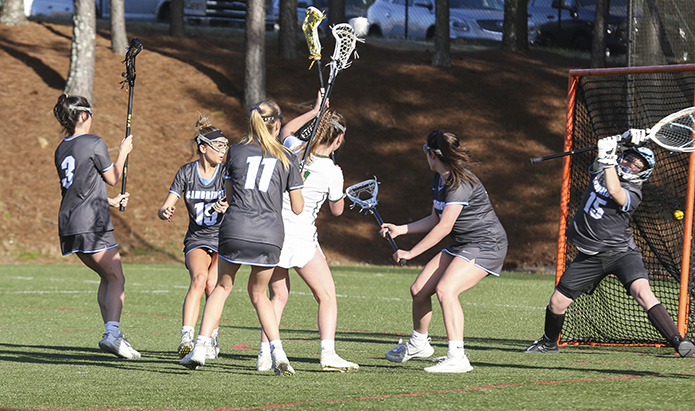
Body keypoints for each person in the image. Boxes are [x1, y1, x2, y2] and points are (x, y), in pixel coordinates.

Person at [523, 132, 695, 357]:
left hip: (622, 253)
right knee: (556, 303)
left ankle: (679, 342)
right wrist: (619, 139)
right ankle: (548, 343)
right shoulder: (604, 171)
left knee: (642, 292)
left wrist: (608, 159)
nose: (630, 164)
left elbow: (615, 190)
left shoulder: (634, 193)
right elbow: (600, 165)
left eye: (637, 164)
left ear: (643, 172)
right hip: (591, 257)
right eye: (628, 159)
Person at [180, 100, 304, 375]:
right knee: (260, 294)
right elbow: (297, 207)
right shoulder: (287, 156)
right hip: (270, 234)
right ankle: (278, 353)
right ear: (278, 124)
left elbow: (232, 196)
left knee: (222, 288)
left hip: (236, 230)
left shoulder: (234, 152)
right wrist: (295, 176)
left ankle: (200, 347)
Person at [380, 129, 508, 373]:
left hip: (486, 244)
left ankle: (457, 357)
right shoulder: (440, 179)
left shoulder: (459, 183)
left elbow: (444, 227)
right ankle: (419, 344)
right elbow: (434, 218)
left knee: (446, 290)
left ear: (431, 154)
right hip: (463, 243)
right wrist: (400, 229)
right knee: (419, 290)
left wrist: (411, 253)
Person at [255, 102, 359, 373]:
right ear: (338, 139)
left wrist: (315, 110)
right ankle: (328, 353)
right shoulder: (332, 171)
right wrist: (339, 192)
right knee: (326, 295)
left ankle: (265, 355)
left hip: (273, 232)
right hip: (300, 237)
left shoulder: (292, 148)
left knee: (278, 296)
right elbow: (337, 211)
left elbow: (288, 128)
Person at [52, 93, 140, 359]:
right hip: (92, 224)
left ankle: (111, 333)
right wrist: (123, 153)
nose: (91, 118)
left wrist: (110, 202)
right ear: (82, 116)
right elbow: (112, 177)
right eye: (89, 113)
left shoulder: (61, 148)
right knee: (117, 277)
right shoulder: (93, 142)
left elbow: (79, 188)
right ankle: (113, 334)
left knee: (106, 276)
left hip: (69, 226)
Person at [158, 115, 229, 359]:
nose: (222, 150)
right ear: (202, 147)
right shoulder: (187, 172)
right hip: (198, 238)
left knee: (213, 285)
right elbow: (164, 206)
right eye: (218, 145)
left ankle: (211, 338)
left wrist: (227, 206)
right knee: (199, 279)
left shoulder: (226, 172)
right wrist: (164, 211)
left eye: (224, 145)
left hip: (224, 238)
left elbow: (240, 202)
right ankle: (187, 338)